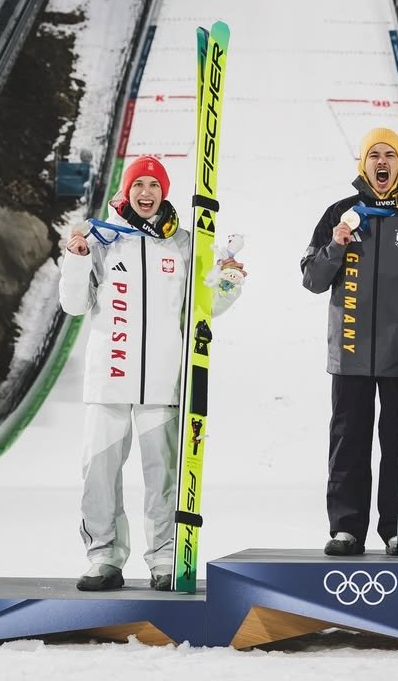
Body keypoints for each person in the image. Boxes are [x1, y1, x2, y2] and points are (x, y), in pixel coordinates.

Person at [59, 155, 245, 592]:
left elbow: (206, 307)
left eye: (154, 185)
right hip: (109, 380)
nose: (146, 193)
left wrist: (230, 282)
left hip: (162, 384)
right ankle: (103, 556)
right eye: (138, 184)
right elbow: (72, 304)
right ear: (126, 191)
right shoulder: (101, 237)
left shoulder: (182, 243)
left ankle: (164, 558)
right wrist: (76, 258)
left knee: (163, 479)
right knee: (99, 476)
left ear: (164, 192)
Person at [301, 128, 398, 557]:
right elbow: (312, 279)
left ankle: (395, 527)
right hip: (349, 353)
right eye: (375, 155)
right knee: (348, 443)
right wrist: (335, 246)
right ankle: (347, 528)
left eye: (390, 154)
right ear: (363, 164)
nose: (382, 162)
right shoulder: (341, 212)